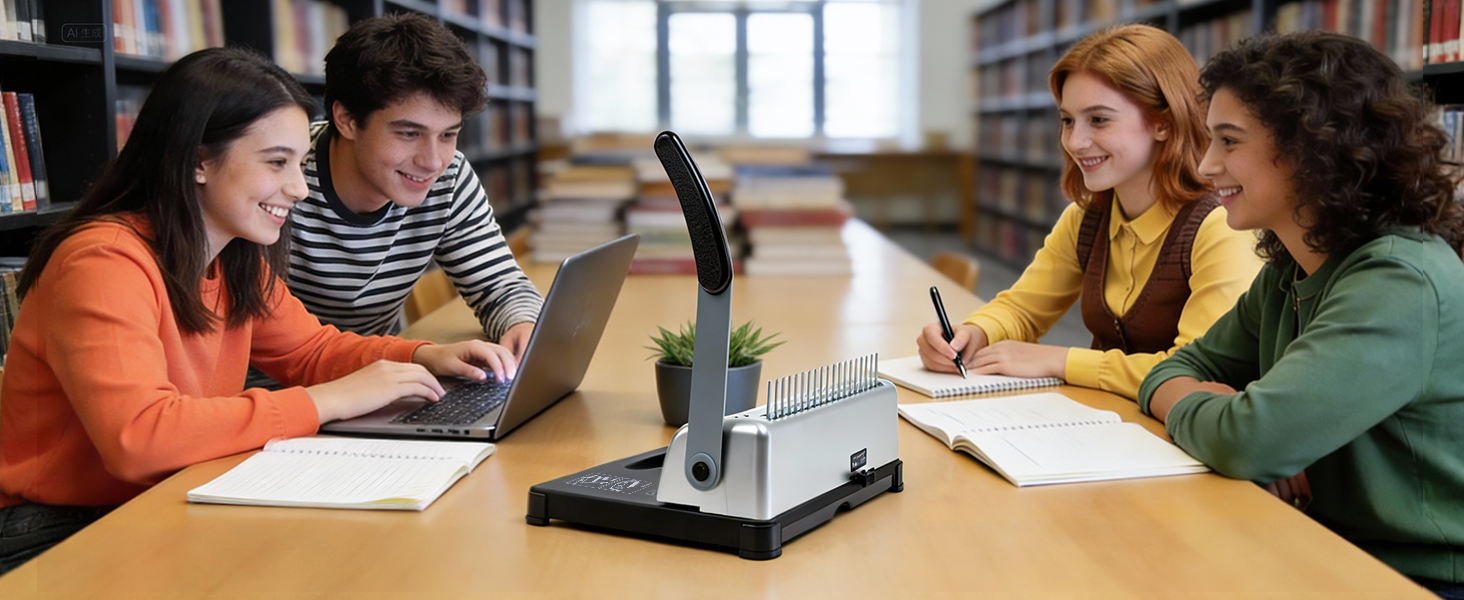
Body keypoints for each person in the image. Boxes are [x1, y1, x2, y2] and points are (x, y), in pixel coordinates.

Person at [0, 48, 515, 575]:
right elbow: (141, 438)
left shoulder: (233, 254)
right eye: (276, 162)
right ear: (198, 159)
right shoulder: (103, 259)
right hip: (56, 526)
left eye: (297, 162)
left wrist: (426, 355)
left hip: (166, 493)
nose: (298, 186)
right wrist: (326, 401)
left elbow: (311, 350)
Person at [1139, 31, 1464, 597]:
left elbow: (1249, 443)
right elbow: (1173, 367)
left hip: (1419, 577)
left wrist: (1238, 418)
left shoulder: (1397, 280)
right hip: (1326, 542)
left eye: (1228, 141)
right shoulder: (1294, 264)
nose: (1206, 163)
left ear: (1314, 147)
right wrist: (1213, 405)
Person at [916, 24, 1262, 401]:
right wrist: (972, 334)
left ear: (1163, 122)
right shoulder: (1088, 218)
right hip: (1111, 426)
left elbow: (1196, 370)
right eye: (1067, 120)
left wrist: (1061, 361)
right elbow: (1023, 309)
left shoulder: (1222, 226)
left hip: (1194, 446)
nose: (1074, 142)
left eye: (1099, 119)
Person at [285, 13, 541, 351]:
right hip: (274, 393)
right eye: (408, 133)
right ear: (345, 119)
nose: (433, 161)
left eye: (448, 134)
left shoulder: (448, 177)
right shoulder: (280, 176)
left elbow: (499, 285)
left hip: (382, 372)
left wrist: (524, 326)